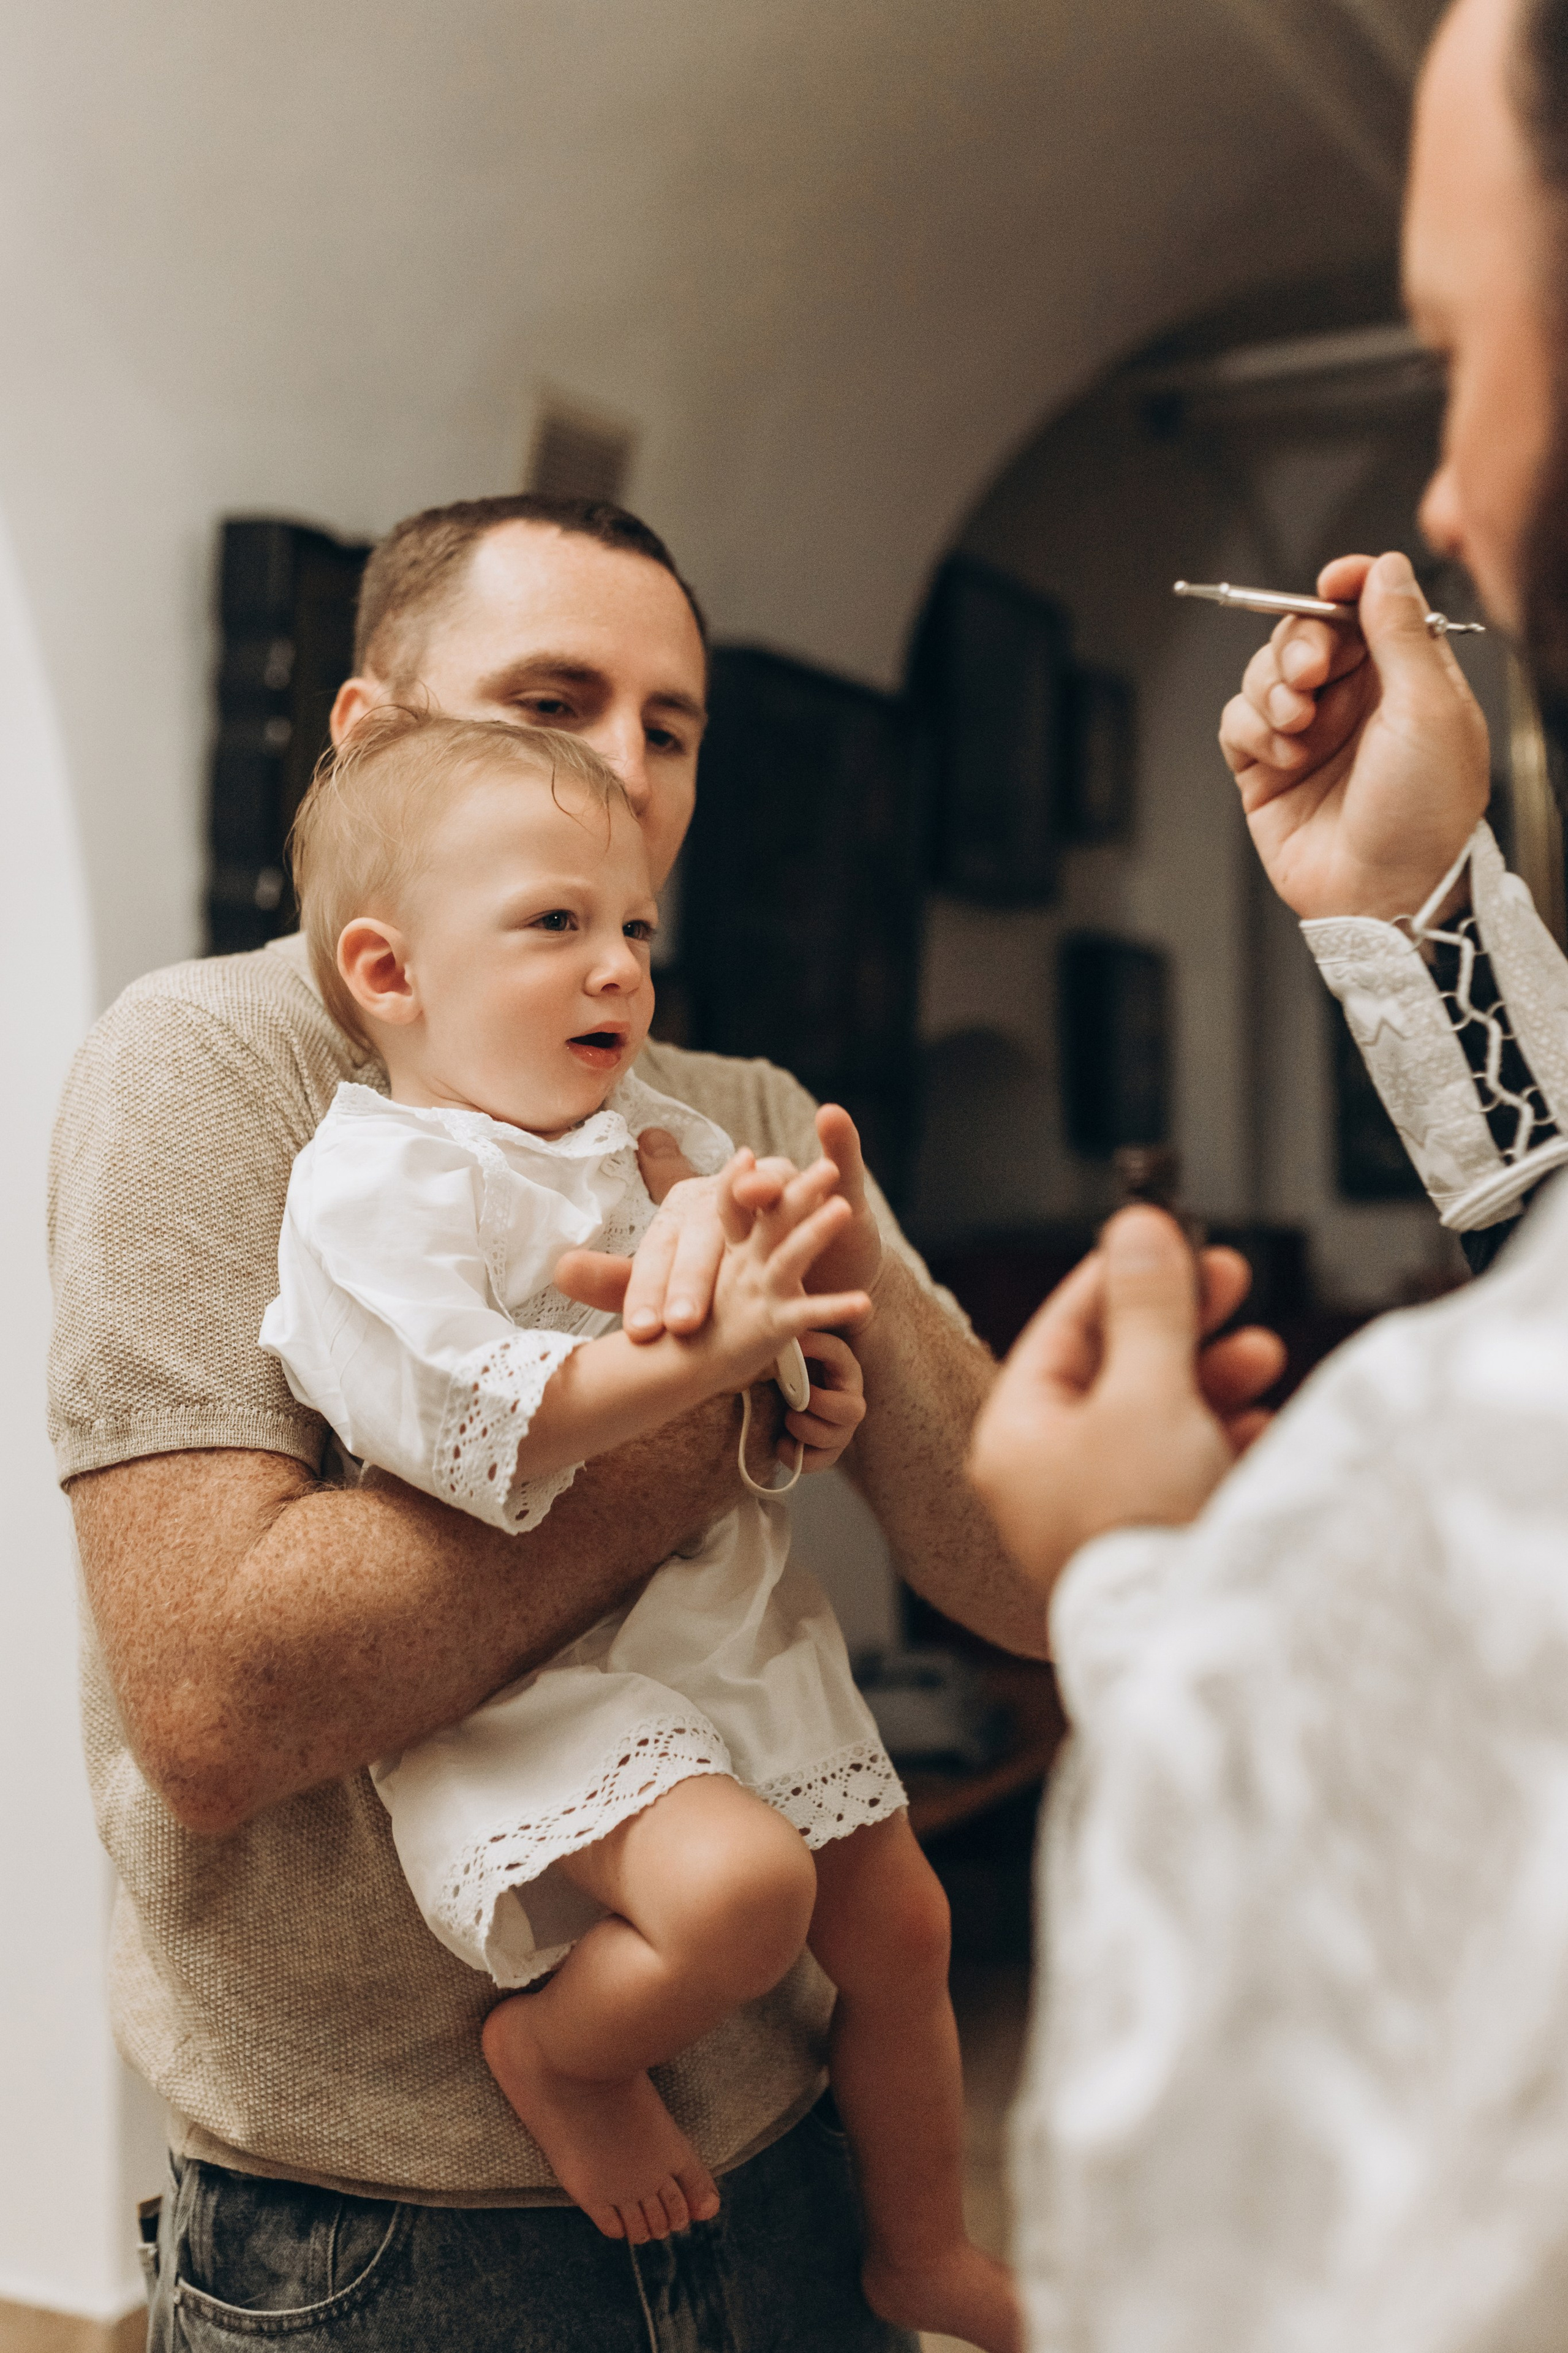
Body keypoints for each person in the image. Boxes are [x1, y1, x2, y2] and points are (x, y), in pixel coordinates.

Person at [47, 489, 1057, 2353]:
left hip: (787, 2168)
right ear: (371, 737)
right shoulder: (209, 1067)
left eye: (671, 727)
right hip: (388, 2250)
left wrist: (856, 1319)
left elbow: (1028, 1588)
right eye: (551, 701)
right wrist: (711, 1403)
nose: (625, 769)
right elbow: (216, 1705)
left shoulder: (741, 1105)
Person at [968, 1, 1568, 2344]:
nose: (1455, 499)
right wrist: (1416, 904)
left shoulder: (1431, 1478)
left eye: (1466, 347)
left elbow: (1291, 2252)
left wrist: (1139, 1582)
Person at [257, 701, 1018, 2350]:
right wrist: (692, 1363)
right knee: (743, 1894)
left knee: (905, 1925)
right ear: (391, 973)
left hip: (721, 1621)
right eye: (557, 924)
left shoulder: (663, 1142)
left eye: (636, 931)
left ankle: (924, 2248)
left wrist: (805, 1382)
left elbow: (765, 1359)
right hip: (539, 1671)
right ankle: (562, 2055)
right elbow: (457, 1412)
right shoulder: (379, 1181)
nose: (620, 968)